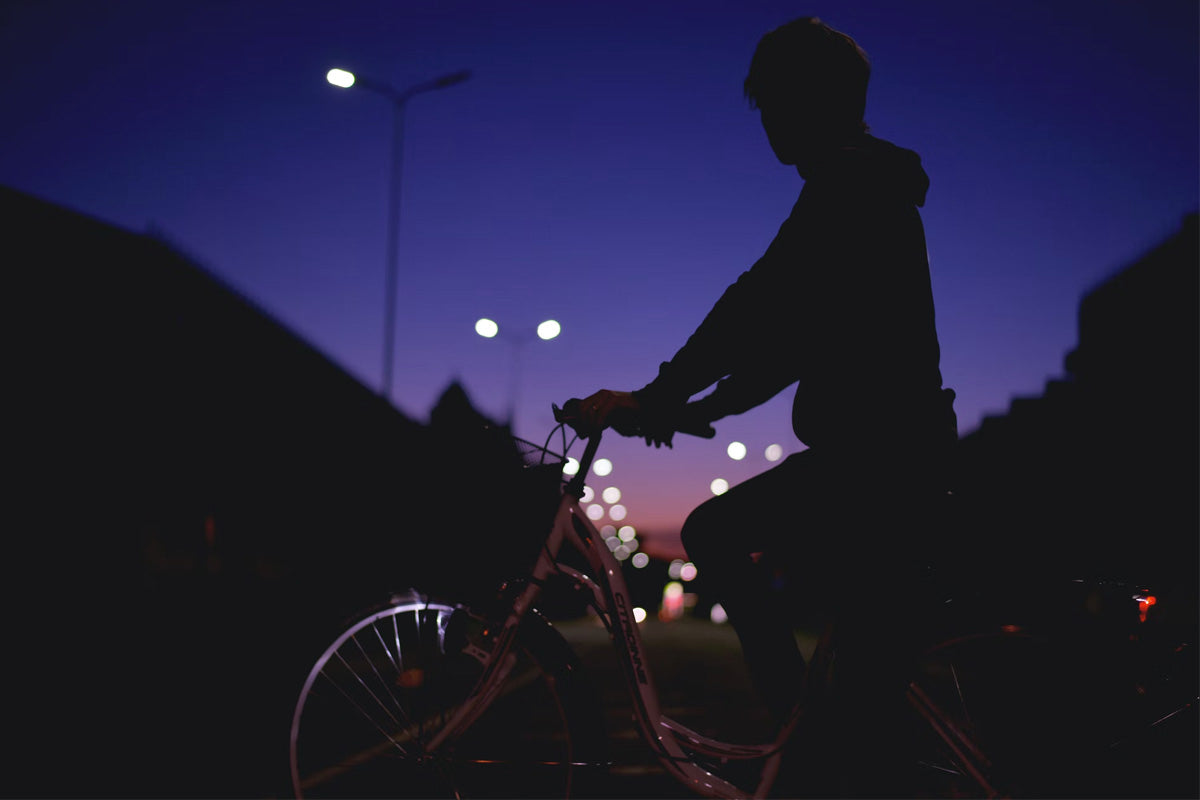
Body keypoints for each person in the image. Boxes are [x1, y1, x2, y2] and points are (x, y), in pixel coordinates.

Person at [576, 16, 957, 791]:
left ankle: (805, 739)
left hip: (881, 460)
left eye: (777, 101)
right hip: (894, 453)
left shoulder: (848, 189)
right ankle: (821, 744)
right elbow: (798, 339)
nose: (769, 121)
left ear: (815, 101)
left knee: (712, 532)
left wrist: (658, 395)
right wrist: (696, 405)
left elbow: (756, 303)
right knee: (863, 687)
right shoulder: (864, 187)